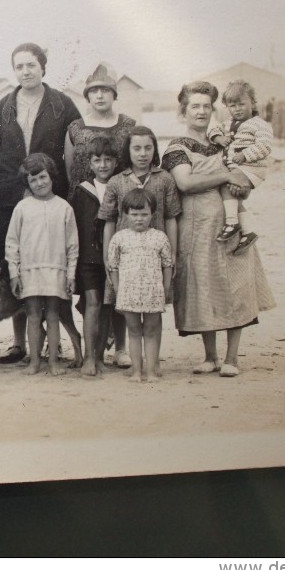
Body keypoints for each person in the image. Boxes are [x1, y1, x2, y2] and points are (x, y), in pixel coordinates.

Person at [161, 81, 276, 378]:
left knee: (235, 286)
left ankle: (232, 358)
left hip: (231, 223)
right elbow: (185, 183)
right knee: (203, 287)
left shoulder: (226, 142)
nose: (201, 111)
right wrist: (226, 173)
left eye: (206, 106)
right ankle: (210, 356)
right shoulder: (177, 147)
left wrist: (240, 183)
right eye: (194, 106)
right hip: (196, 228)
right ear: (183, 111)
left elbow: (245, 180)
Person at [0, 43, 82, 366]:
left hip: (48, 194)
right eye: (19, 66)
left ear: (43, 67)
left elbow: (74, 152)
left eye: (31, 65)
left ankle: (53, 343)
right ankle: (19, 344)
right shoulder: (4, 106)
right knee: (15, 265)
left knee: (48, 264)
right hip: (9, 198)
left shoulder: (62, 105)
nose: (25, 72)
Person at [98, 125, 180, 368]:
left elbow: (171, 217)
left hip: (155, 256)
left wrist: (173, 253)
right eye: (136, 148)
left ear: (154, 149)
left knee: (154, 312)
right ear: (128, 150)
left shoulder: (164, 178)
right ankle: (129, 357)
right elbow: (109, 221)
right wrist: (107, 256)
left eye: (148, 148)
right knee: (126, 305)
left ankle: (153, 364)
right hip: (127, 257)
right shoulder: (116, 181)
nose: (142, 153)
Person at [5, 153, 79, 376]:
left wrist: (71, 274)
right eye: (33, 180)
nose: (39, 183)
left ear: (51, 175)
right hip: (30, 270)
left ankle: (54, 362)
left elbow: (72, 245)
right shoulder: (22, 207)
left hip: (56, 270)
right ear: (27, 183)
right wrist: (14, 273)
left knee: (54, 316)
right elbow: (12, 243)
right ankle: (35, 362)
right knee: (34, 316)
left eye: (42, 177)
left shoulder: (64, 207)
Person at [106, 188, 174, 384]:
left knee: (151, 331)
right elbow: (113, 266)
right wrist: (119, 291)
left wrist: (166, 288)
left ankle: (151, 370)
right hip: (129, 293)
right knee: (134, 331)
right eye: (134, 214)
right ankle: (137, 370)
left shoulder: (159, 237)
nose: (139, 219)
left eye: (144, 214)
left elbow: (167, 264)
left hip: (153, 292)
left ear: (152, 214)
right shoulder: (119, 238)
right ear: (125, 214)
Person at [208, 79, 274, 254]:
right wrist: (218, 138)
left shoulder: (260, 124)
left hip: (252, 168)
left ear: (252, 103)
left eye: (241, 104)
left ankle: (232, 222)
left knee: (227, 186)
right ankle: (248, 231)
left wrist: (244, 154)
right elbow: (213, 129)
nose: (237, 109)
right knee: (231, 192)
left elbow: (265, 146)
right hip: (238, 168)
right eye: (232, 105)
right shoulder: (229, 123)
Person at [70, 136, 118, 377]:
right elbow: (75, 226)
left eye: (108, 160)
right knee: (92, 303)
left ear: (116, 162)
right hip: (88, 257)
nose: (103, 165)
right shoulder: (82, 190)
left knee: (107, 307)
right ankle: (89, 357)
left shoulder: (121, 186)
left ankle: (100, 357)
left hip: (113, 257)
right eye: (97, 160)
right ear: (89, 163)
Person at [63, 61, 136, 199]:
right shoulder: (75, 129)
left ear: (114, 94)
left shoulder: (129, 126)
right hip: (85, 202)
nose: (99, 96)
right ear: (87, 96)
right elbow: (70, 172)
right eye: (93, 91)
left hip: (122, 200)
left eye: (105, 90)